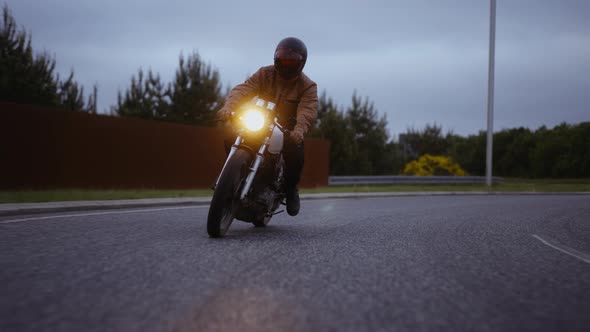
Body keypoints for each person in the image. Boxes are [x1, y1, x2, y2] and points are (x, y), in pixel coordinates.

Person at [218, 37, 318, 216]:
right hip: (260, 119)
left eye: (291, 60)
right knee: (229, 136)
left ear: (301, 62)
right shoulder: (265, 74)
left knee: (295, 153)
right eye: (282, 58)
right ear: (275, 58)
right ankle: (234, 174)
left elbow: (307, 111)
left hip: (286, 128)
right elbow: (243, 89)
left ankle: (290, 189)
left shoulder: (307, 86)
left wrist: (299, 130)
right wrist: (228, 107)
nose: (286, 64)